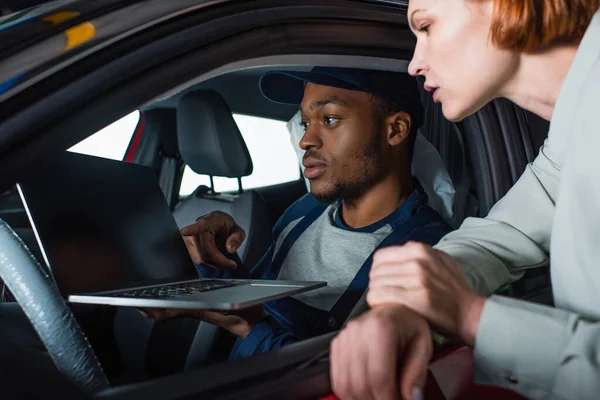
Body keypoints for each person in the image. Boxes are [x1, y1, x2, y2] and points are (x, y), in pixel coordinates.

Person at [330, 2, 600, 400]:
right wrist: (406, 304)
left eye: (425, 26)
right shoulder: (569, 139)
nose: (414, 64)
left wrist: (471, 318)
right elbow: (496, 237)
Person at [144, 67, 451, 360]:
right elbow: (260, 305)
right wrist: (217, 264)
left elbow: (340, 373)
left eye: (329, 119)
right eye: (305, 123)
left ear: (395, 129)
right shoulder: (304, 212)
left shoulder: (426, 251)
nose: (305, 140)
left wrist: (246, 326)